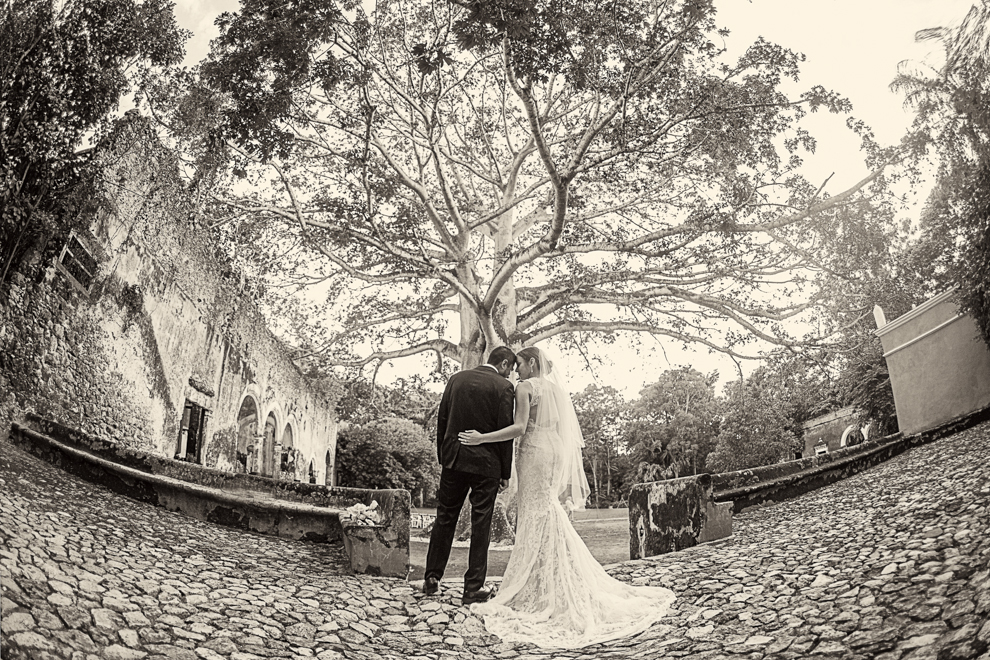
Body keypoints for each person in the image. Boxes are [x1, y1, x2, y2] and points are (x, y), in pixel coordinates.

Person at [458, 346, 675, 649]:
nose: (516, 370)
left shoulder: (525, 387)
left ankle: (537, 580)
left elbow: (519, 428)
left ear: (531, 363)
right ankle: (550, 574)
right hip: (554, 450)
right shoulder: (557, 391)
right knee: (546, 508)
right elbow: (562, 430)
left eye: (519, 364)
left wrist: (482, 438)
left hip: (534, 451)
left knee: (535, 511)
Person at [423, 346, 517, 604]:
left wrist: (444, 456)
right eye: (512, 368)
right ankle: (473, 587)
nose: (511, 374)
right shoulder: (503, 387)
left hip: (453, 460)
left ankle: (432, 578)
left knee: (444, 517)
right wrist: (505, 472)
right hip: (487, 466)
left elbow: (442, 420)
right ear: (505, 364)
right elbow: (505, 432)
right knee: (481, 524)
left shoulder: (456, 379)